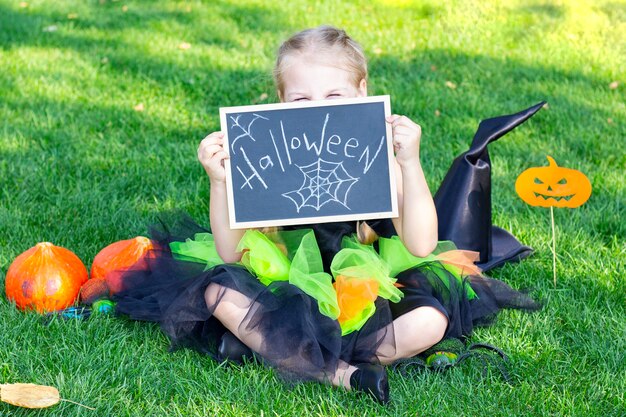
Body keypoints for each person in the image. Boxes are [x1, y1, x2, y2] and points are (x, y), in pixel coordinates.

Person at [115, 25, 539, 405]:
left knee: (431, 321)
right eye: (302, 98)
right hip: (284, 284)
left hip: (370, 287)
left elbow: (423, 244)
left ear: (361, 92)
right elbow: (229, 253)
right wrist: (220, 182)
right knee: (218, 294)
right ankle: (341, 374)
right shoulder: (269, 155)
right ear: (281, 101)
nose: (318, 109)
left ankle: (277, 351)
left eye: (333, 96)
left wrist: (410, 163)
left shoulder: (379, 157)